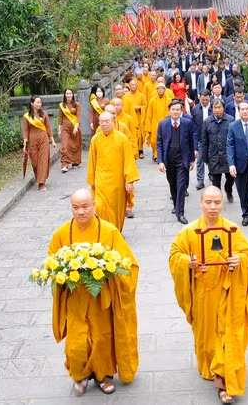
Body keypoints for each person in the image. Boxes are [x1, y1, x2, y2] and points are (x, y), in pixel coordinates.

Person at [169, 186, 248, 404]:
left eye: (217, 202)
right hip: (203, 295)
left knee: (227, 336)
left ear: (222, 204)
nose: (213, 206)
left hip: (228, 293)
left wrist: (240, 260)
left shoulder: (232, 229)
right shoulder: (189, 232)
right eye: (208, 202)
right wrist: (186, 263)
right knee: (207, 337)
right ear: (200, 203)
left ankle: (223, 380)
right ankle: (211, 366)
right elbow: (175, 255)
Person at [49, 188, 139, 395]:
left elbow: (129, 265)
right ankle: (79, 375)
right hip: (75, 299)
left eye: (85, 207)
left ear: (94, 205)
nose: (80, 212)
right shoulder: (63, 232)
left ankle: (104, 375)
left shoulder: (109, 231)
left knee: (101, 338)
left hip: (101, 299)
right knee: (76, 342)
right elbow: (52, 260)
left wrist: (110, 271)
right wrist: (59, 273)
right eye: (75, 207)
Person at [87, 112, 140, 232]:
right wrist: (92, 181)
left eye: (107, 121)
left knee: (117, 209)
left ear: (113, 122)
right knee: (100, 207)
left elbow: (128, 160)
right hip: (101, 180)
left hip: (117, 180)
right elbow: (92, 161)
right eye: (102, 122)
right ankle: (103, 232)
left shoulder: (122, 138)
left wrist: (129, 180)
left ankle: (115, 232)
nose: (104, 124)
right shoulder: (95, 139)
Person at [156, 100, 196, 224]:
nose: (175, 112)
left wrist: (192, 160)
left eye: (178, 109)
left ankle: (180, 213)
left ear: (181, 110)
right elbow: (159, 143)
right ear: (169, 111)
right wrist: (160, 161)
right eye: (173, 109)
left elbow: (191, 141)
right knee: (172, 184)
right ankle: (176, 205)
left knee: (181, 185)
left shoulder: (187, 123)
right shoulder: (163, 124)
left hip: (182, 159)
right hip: (169, 159)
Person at [202, 98, 234, 203]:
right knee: (215, 182)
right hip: (214, 156)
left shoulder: (230, 120)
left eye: (219, 107)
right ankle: (217, 200)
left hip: (227, 157)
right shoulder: (207, 122)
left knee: (230, 179)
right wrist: (205, 157)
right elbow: (205, 141)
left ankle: (228, 190)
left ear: (223, 108)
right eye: (215, 107)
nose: (217, 110)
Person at [22, 95, 56, 191]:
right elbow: (25, 130)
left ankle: (41, 183)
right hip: (32, 140)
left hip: (43, 139)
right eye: (37, 102)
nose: (39, 104)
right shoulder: (26, 116)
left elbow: (48, 128)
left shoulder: (44, 114)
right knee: (35, 162)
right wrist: (25, 143)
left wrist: (52, 141)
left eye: (40, 102)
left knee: (43, 160)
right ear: (32, 103)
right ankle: (39, 177)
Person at [145, 83, 173, 162]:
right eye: (159, 88)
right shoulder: (152, 100)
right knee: (154, 141)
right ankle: (155, 153)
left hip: (166, 123)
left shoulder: (169, 100)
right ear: (156, 90)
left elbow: (172, 112)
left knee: (166, 139)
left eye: (162, 88)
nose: (160, 90)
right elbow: (149, 114)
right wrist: (148, 126)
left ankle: (164, 154)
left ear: (165, 90)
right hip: (155, 123)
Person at [191, 89, 211, 190]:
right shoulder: (195, 109)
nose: (204, 102)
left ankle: (212, 174)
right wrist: (194, 146)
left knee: (212, 159)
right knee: (199, 161)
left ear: (209, 98)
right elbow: (193, 128)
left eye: (206, 100)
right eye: (202, 100)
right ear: (200, 98)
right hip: (200, 138)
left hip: (212, 139)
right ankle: (200, 180)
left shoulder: (214, 108)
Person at [123, 79, 147, 159]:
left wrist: (139, 108)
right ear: (129, 86)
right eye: (132, 85)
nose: (134, 86)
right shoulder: (126, 96)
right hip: (129, 117)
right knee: (131, 134)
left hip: (139, 116)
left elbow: (145, 106)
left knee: (140, 135)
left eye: (135, 85)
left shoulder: (141, 95)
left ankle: (140, 150)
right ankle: (132, 150)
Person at [58, 88, 81, 173]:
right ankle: (65, 164)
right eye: (67, 93)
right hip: (65, 127)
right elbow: (60, 118)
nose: (68, 95)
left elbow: (79, 116)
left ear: (73, 94)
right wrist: (59, 130)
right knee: (65, 145)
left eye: (70, 93)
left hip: (75, 126)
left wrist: (76, 127)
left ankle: (75, 162)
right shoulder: (62, 105)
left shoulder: (77, 105)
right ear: (65, 95)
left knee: (74, 144)